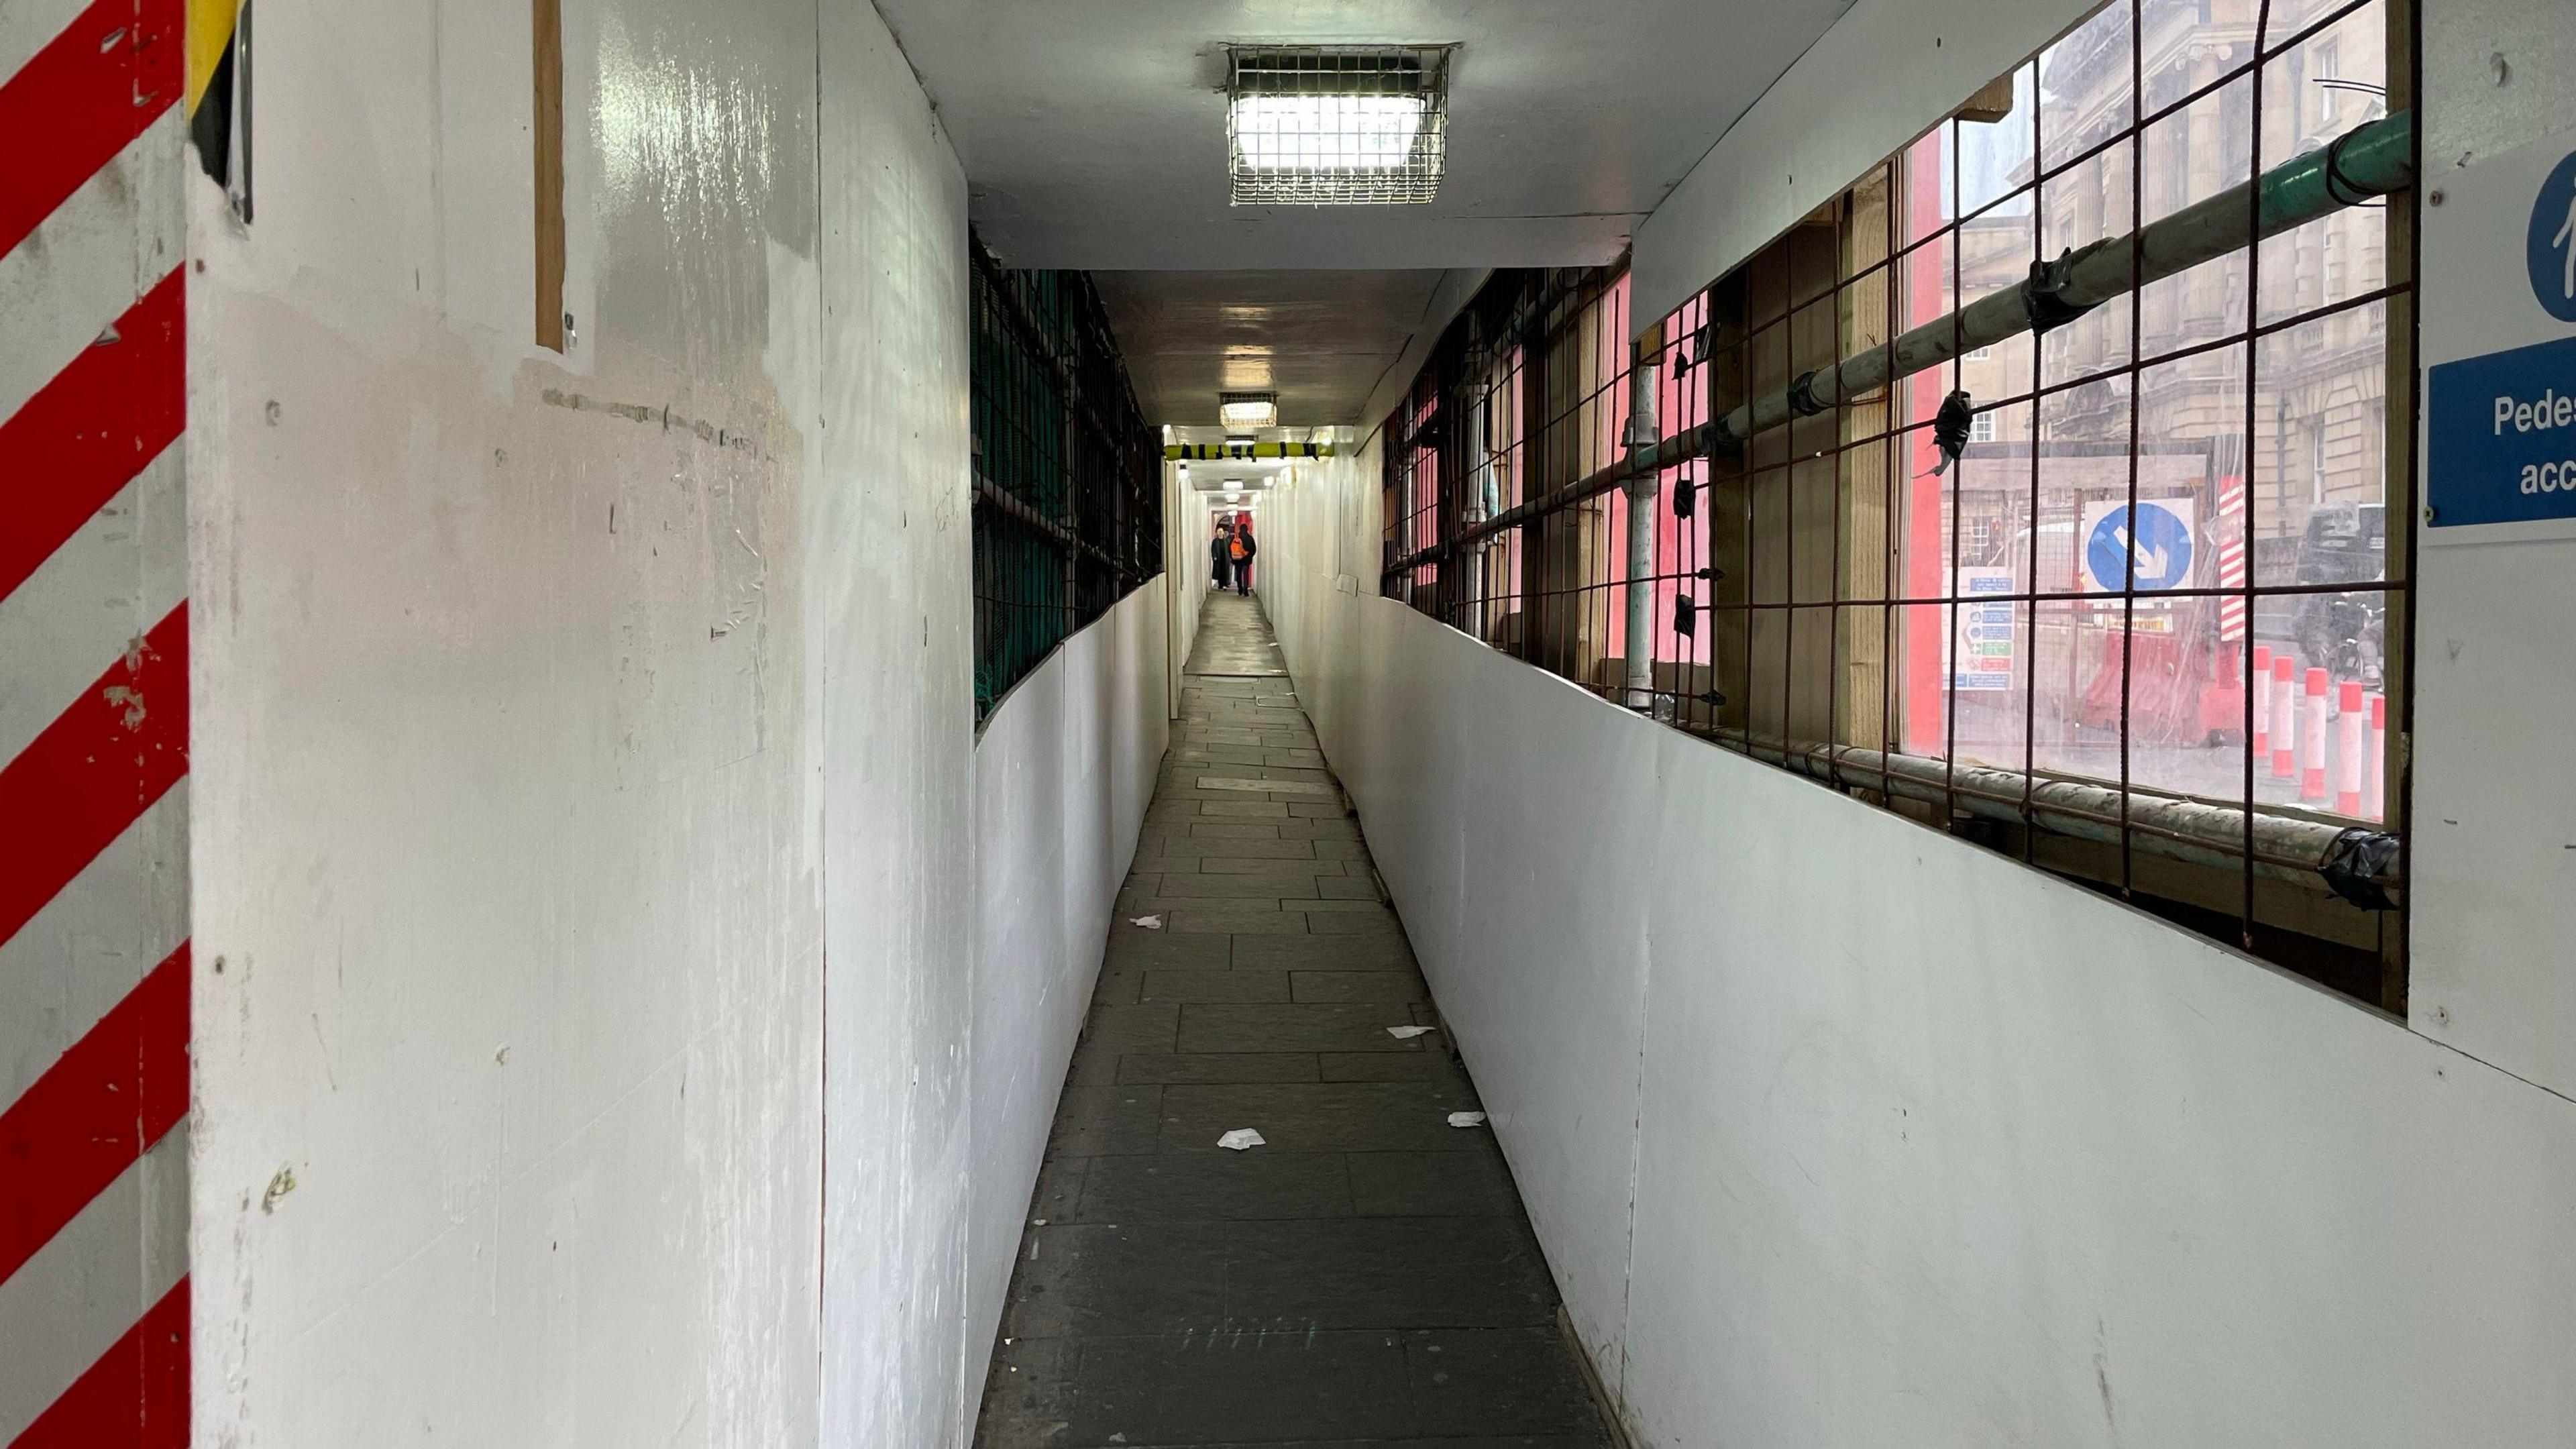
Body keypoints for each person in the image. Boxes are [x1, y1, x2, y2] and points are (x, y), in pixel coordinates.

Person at [1229, 520, 1256, 595]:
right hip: (1246, 560)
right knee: (1245, 574)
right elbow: (1254, 549)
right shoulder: (1250, 538)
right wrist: (1249, 556)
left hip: (1237, 560)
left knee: (1238, 574)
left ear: (1240, 529)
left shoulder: (1236, 537)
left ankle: (1240, 589)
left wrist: (1232, 557)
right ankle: (1245, 590)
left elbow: (1230, 548)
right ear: (1247, 529)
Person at [1210, 521, 1234, 593]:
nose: (1220, 533)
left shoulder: (1227, 541)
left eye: (1221, 531)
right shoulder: (1215, 541)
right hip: (1218, 559)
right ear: (1217, 533)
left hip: (1225, 559)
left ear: (1223, 533)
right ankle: (1220, 585)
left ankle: (1225, 585)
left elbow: (1230, 550)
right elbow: (1213, 550)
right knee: (1220, 572)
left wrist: (1231, 557)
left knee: (1225, 572)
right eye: (1219, 531)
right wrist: (1214, 556)